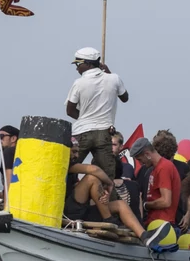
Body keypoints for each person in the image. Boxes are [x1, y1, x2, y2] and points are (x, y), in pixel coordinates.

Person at [65, 147, 169, 248]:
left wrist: (102, 198)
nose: (77, 155)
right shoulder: (65, 163)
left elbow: (82, 193)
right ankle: (108, 219)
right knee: (91, 178)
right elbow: (94, 170)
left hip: (83, 210)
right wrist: (110, 183)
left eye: (77, 152)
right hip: (70, 214)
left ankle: (144, 236)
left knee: (120, 204)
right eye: (74, 152)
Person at [65, 47, 128, 181]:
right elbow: (125, 97)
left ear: (87, 64)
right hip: (104, 133)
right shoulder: (114, 78)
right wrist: (109, 73)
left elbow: (70, 111)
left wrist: (85, 117)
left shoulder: (79, 83)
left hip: (82, 132)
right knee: (108, 176)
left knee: (68, 169)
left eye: (78, 64)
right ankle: (108, 199)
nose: (77, 68)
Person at [130, 137, 181, 228]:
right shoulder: (155, 168)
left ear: (147, 154)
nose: (141, 163)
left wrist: (145, 205)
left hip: (162, 224)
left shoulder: (164, 167)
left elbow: (165, 201)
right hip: (156, 222)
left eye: (140, 160)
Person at [0, 124, 20, 200]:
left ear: (13, 138)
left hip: (13, 205)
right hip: (20, 201)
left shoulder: (8, 153)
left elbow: (9, 185)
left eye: (1, 136)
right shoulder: (20, 154)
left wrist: (6, 209)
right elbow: (14, 188)